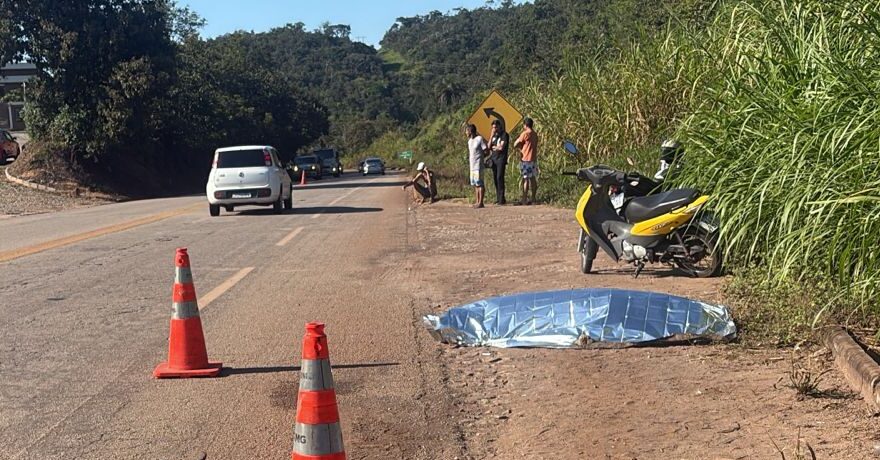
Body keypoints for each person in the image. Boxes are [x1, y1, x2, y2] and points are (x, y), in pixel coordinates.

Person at [513, 117, 539, 205]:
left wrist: (520, 146)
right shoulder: (535, 134)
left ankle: (524, 199)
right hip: (533, 159)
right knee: (533, 178)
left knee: (525, 178)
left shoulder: (525, 134)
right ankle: (533, 198)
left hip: (526, 159)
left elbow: (516, 143)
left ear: (525, 125)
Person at [486, 119, 509, 205]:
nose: (494, 129)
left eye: (495, 127)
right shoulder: (494, 136)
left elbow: (501, 147)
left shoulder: (504, 135)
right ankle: (498, 197)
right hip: (494, 159)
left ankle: (502, 198)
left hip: (501, 159)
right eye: (493, 127)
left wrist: (496, 147)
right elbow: (488, 147)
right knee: (495, 178)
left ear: (499, 126)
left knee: (500, 177)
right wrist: (491, 136)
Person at [466, 123, 487, 208]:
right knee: (475, 184)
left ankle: (481, 202)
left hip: (478, 165)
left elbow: (486, 150)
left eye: (467, 131)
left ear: (470, 131)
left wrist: (482, 158)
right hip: (472, 165)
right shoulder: (469, 141)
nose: (466, 133)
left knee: (480, 183)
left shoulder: (479, 139)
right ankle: (477, 201)